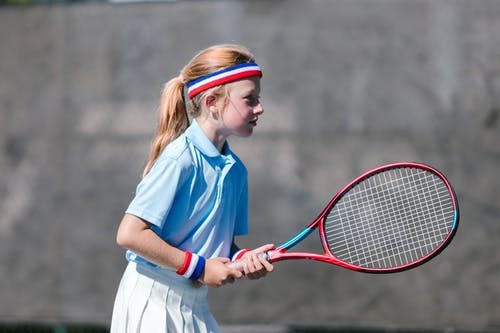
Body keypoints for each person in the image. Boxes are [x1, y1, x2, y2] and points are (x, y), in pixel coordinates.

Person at [110, 44, 274, 333]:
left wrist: (242, 259)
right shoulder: (179, 159)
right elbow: (129, 233)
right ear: (212, 102)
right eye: (249, 99)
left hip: (194, 304)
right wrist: (200, 268)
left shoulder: (236, 171)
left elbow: (217, 244)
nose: (259, 107)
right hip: (151, 300)